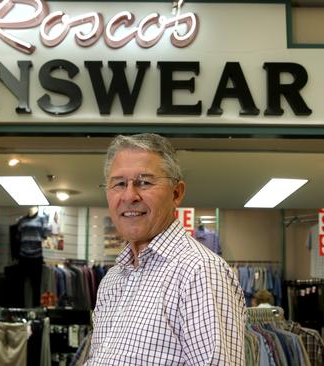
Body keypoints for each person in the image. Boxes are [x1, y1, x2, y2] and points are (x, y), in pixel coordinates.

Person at [84, 133, 246, 365]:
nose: (129, 195)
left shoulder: (200, 272)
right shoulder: (113, 279)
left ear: (176, 193)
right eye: (119, 183)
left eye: (145, 182)